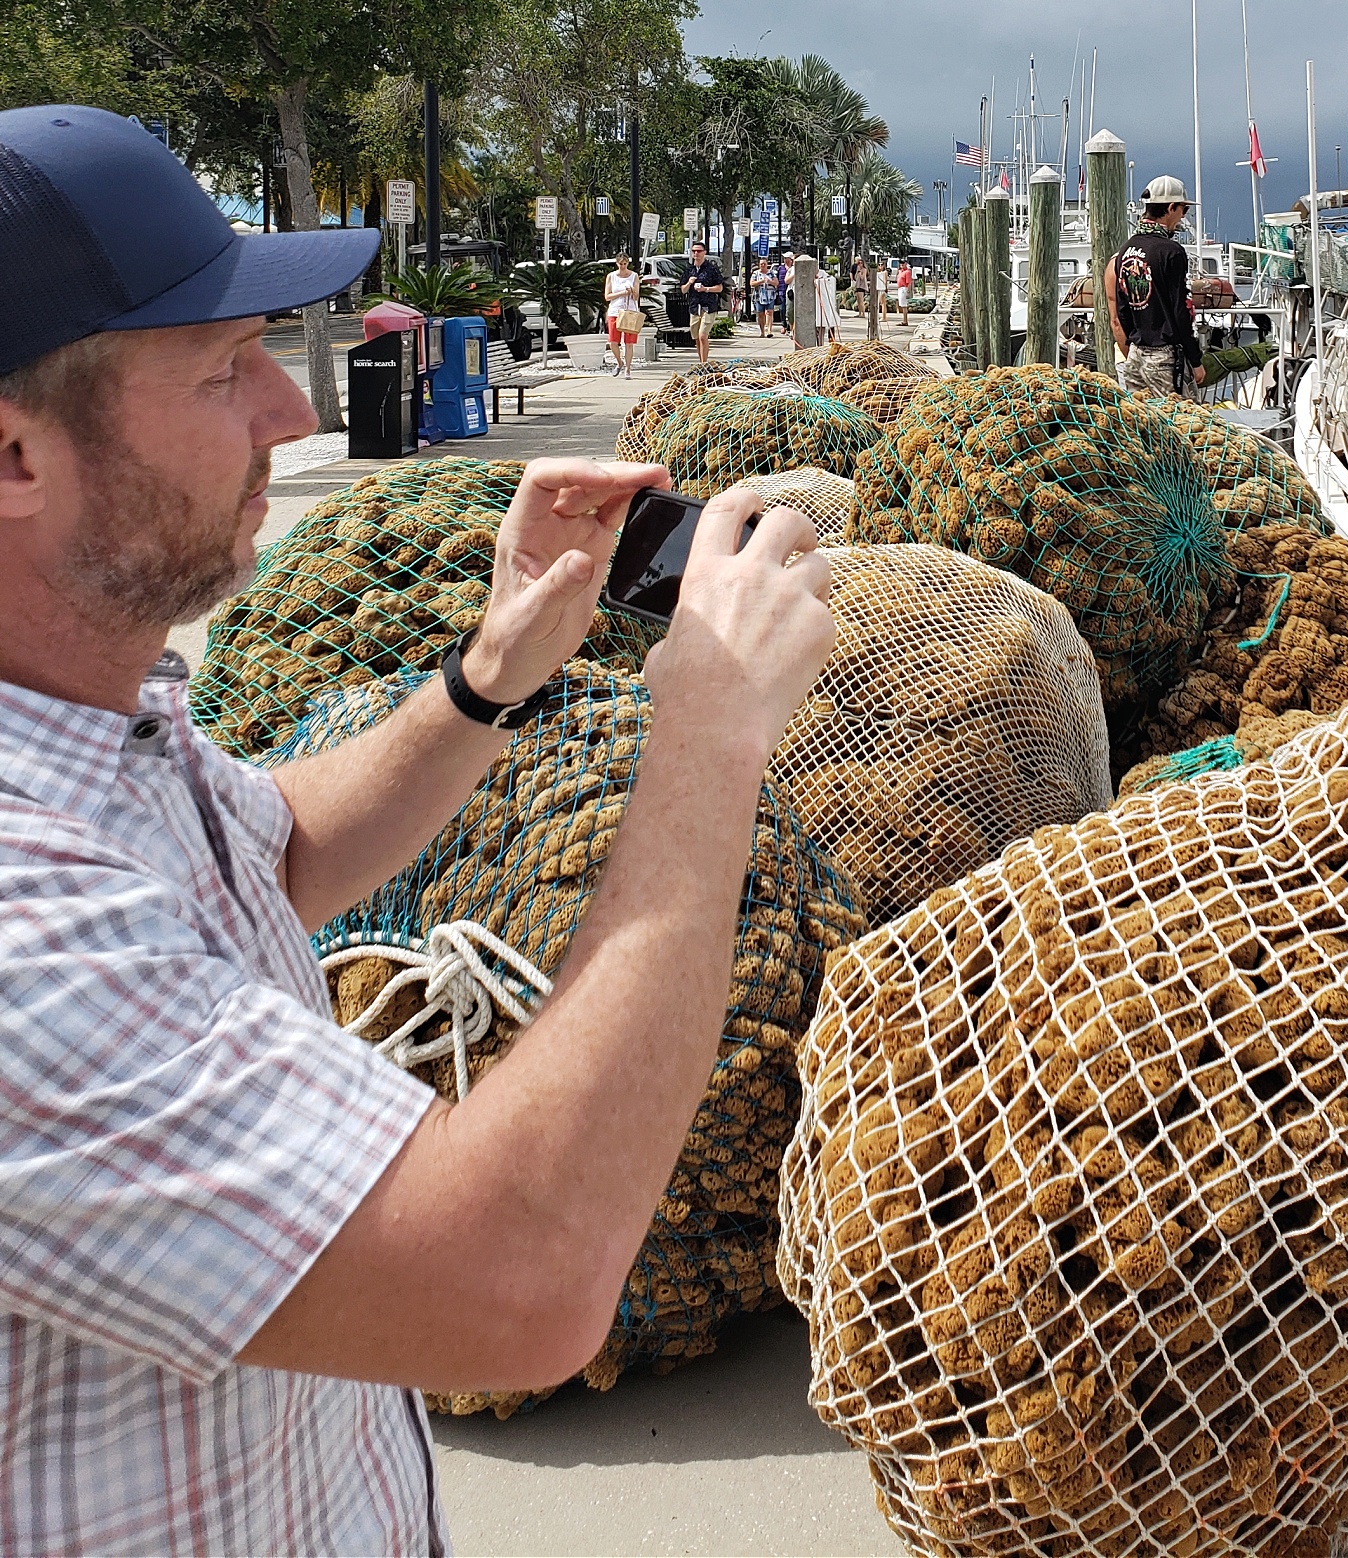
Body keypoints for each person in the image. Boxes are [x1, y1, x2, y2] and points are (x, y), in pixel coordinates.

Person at [0, 104, 836, 1552]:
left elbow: (269, 855)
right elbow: (518, 1279)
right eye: (224, 368)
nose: (293, 412)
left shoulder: (93, 721)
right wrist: (706, 729)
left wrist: (494, 668)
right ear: (15, 456)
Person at [1102, 175, 1208, 400]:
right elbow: (1181, 311)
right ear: (1171, 208)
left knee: (1142, 425)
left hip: (1135, 356)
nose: (1182, 217)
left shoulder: (1125, 251)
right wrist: (1195, 360)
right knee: (1179, 423)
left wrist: (1132, 343)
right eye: (1183, 210)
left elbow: (1122, 310)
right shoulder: (1171, 251)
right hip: (1164, 359)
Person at [680, 241, 726, 364]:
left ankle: (704, 363)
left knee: (702, 335)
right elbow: (683, 290)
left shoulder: (711, 269)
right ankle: (701, 362)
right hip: (694, 307)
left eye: (699, 251)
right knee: (696, 337)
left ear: (704, 252)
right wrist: (689, 283)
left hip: (708, 306)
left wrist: (706, 289)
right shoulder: (689, 270)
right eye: (694, 251)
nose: (696, 253)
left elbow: (720, 287)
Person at [604, 252, 643, 377]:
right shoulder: (611, 276)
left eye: (625, 264)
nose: (623, 266)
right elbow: (607, 296)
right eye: (620, 264)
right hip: (615, 311)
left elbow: (637, 296)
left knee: (629, 342)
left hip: (630, 311)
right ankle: (619, 362)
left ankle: (628, 368)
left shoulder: (634, 276)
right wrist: (621, 293)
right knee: (613, 342)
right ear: (617, 263)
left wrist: (632, 292)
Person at [814, 260, 841, 347]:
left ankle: (823, 343)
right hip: (812, 303)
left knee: (824, 324)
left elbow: (829, 281)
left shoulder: (823, 273)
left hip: (823, 303)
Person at [751, 256, 777, 338]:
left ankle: (769, 330)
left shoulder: (771, 273)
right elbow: (751, 283)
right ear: (759, 265)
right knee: (760, 314)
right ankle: (762, 332)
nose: (763, 265)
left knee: (769, 312)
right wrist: (761, 281)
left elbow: (776, 283)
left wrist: (770, 281)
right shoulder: (756, 273)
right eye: (761, 264)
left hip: (770, 296)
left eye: (764, 264)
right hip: (759, 296)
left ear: (767, 265)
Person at [896, 258, 914, 325]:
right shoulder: (900, 271)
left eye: (903, 263)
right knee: (901, 305)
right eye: (900, 263)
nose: (901, 264)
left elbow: (909, 283)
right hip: (900, 288)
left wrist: (908, 292)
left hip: (904, 288)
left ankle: (905, 321)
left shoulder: (908, 272)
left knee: (904, 306)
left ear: (906, 264)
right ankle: (904, 320)